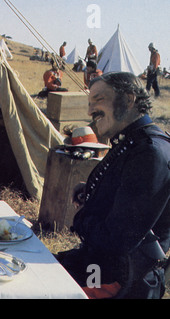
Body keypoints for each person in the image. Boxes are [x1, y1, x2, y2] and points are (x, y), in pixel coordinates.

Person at [56, 72, 170, 299]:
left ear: (129, 100)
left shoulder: (148, 152)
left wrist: (82, 217)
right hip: (103, 266)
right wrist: (93, 192)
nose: (90, 111)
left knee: (27, 286)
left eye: (98, 100)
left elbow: (116, 241)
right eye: (89, 103)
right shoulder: (135, 142)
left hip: (120, 281)